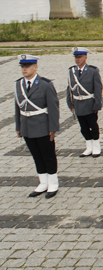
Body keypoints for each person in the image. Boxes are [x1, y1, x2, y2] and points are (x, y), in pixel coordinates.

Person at [15, 54, 60, 199]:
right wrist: (18, 126)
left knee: (48, 155)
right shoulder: (18, 84)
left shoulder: (45, 84)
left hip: (42, 125)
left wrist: (53, 128)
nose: (24, 69)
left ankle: (53, 183)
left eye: (27, 66)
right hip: (27, 126)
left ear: (35, 67)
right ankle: (43, 182)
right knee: (36, 155)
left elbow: (53, 108)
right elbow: (18, 107)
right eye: (23, 67)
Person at [67, 47, 103, 158]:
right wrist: (70, 102)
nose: (77, 59)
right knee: (83, 127)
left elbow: (98, 88)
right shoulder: (71, 71)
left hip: (89, 103)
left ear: (85, 57)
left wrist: (97, 103)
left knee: (93, 125)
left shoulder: (92, 71)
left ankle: (96, 146)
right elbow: (69, 88)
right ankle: (89, 147)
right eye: (76, 57)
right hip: (78, 103)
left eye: (80, 57)